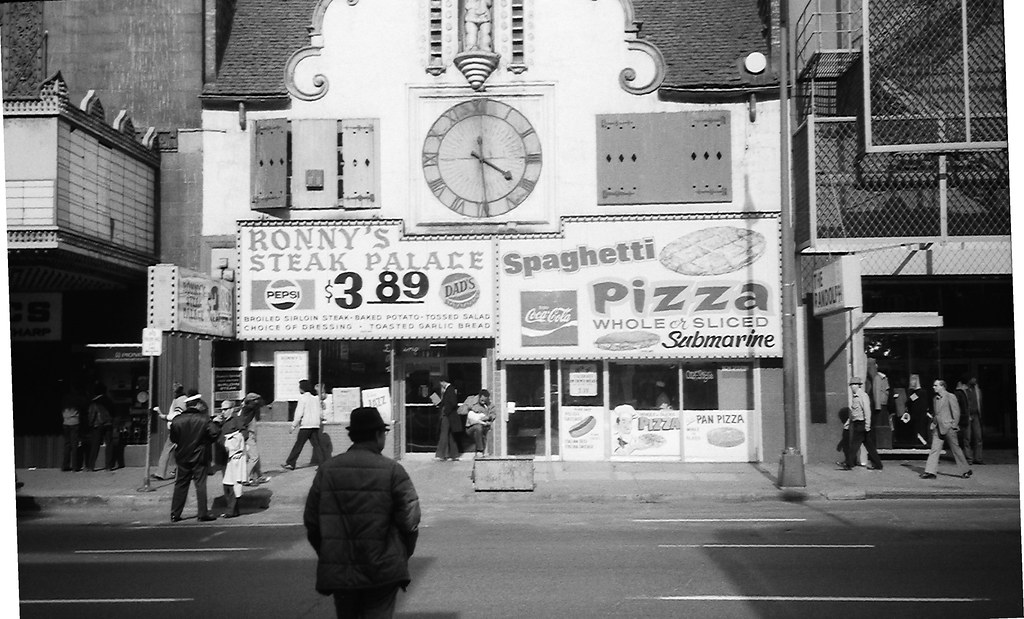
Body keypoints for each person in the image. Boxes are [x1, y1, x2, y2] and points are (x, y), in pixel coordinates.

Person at [303, 406, 420, 618]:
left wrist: (329, 552)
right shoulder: (392, 470)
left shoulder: (327, 470)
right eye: (383, 433)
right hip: (382, 570)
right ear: (377, 435)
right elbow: (410, 520)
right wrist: (403, 553)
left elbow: (312, 522)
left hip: (342, 572)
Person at [170, 405, 222, 522]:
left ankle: (175, 513)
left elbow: (173, 438)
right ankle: (202, 513)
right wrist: (209, 438)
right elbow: (214, 433)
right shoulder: (204, 419)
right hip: (200, 456)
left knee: (181, 484)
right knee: (200, 485)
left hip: (183, 456)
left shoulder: (177, 420)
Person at [920, 379, 972, 480]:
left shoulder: (950, 396)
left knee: (956, 449)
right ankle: (930, 471)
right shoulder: (935, 398)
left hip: (949, 427)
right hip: (938, 427)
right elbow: (937, 413)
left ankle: (965, 470)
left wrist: (953, 425)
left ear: (942, 386)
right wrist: (933, 423)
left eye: (936, 385)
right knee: (934, 449)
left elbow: (956, 412)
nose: (933, 387)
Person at [283, 380, 327, 470]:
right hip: (315, 425)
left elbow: (299, 413)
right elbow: (320, 413)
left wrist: (293, 426)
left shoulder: (302, 398)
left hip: (305, 425)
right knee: (317, 445)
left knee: (299, 445)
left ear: (302, 388)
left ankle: (291, 463)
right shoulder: (315, 399)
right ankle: (323, 464)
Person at [840, 377, 883, 471]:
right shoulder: (855, 396)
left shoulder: (863, 396)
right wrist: (848, 422)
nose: (852, 387)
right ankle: (878, 464)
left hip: (861, 424)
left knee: (854, 445)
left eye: (854, 384)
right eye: (851, 385)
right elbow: (853, 413)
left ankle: (849, 464)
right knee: (869, 446)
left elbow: (867, 411)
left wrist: (867, 425)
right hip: (857, 423)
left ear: (858, 385)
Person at [154, 382, 187, 481]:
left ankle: (161, 473)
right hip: (180, 428)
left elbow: (176, 415)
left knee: (167, 450)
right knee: (180, 451)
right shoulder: (181, 399)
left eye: (174, 389)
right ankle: (178, 471)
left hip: (177, 429)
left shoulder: (180, 400)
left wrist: (163, 416)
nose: (173, 391)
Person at [219, 402, 246, 518]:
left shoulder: (236, 419)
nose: (223, 412)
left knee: (232, 484)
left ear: (232, 409)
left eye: (225, 409)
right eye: (221, 409)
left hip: (233, 456)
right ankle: (234, 510)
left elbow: (244, 433)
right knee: (227, 483)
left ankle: (231, 510)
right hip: (223, 455)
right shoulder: (221, 420)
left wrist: (235, 442)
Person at [239, 392, 269, 485]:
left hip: (251, 435)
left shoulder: (249, 409)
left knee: (255, 457)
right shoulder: (248, 409)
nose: (257, 402)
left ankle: (259, 476)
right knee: (254, 457)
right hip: (249, 435)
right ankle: (245, 478)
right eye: (255, 400)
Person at [86, 383, 114, 471]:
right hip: (108, 424)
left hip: (98, 425)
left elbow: (92, 415)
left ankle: (91, 466)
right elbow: (114, 412)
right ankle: (108, 466)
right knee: (109, 444)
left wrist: (90, 424)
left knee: (95, 445)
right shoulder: (109, 400)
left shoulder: (95, 402)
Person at [434, 377, 460, 461]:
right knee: (450, 435)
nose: (440, 384)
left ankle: (441, 455)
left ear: (443, 382)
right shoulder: (449, 389)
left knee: (444, 434)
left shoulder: (450, 389)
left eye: (441, 383)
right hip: (450, 415)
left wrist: (445, 411)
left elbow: (453, 403)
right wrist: (438, 402)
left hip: (448, 416)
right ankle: (453, 455)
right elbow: (447, 402)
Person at [463, 389, 496, 455]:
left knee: (482, 431)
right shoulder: (471, 400)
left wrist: (488, 417)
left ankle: (484, 452)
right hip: (470, 427)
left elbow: (493, 414)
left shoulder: (490, 405)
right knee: (478, 427)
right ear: (479, 397)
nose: (483, 402)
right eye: (482, 400)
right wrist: (471, 408)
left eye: (485, 401)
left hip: (484, 426)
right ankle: (480, 450)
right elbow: (461, 411)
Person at [60, 390, 85, 472]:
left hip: (65, 422)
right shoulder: (76, 400)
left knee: (67, 444)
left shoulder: (64, 400)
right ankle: (75, 466)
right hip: (74, 422)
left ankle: (65, 465)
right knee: (74, 445)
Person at [906, 373, 931, 448]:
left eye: (913, 380)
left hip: (921, 415)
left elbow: (924, 404)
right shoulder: (911, 392)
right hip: (913, 415)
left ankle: (922, 442)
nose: (911, 382)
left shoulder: (922, 392)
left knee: (921, 428)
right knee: (915, 428)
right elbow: (909, 402)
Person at [964, 376, 984, 464]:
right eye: (973, 378)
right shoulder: (964, 390)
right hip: (967, 415)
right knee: (967, 438)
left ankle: (978, 458)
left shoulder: (977, 390)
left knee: (978, 437)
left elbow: (980, 403)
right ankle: (969, 458)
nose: (975, 380)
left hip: (976, 415)